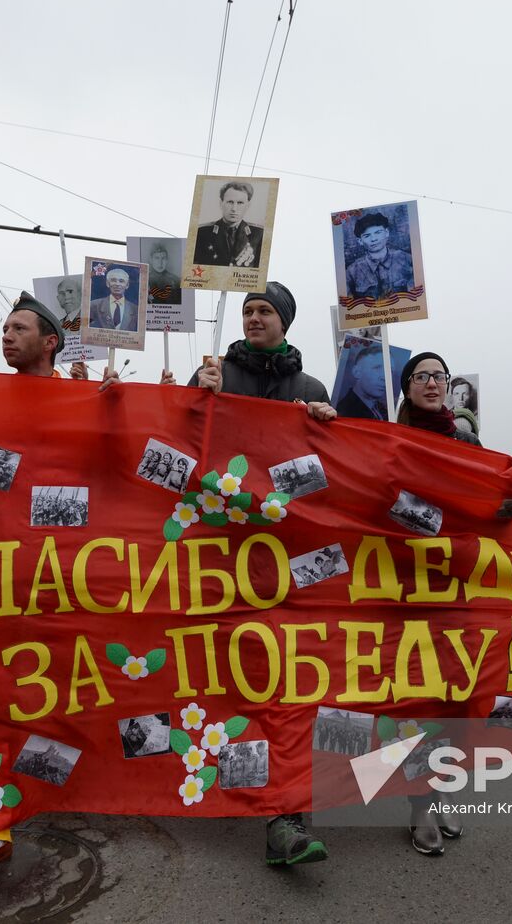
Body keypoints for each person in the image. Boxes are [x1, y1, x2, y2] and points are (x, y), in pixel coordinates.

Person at [0, 291, 119, 884]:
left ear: (50, 343)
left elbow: (112, 467)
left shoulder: (80, 400)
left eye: (19, 328)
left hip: (65, 578)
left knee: (72, 688)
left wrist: (126, 406)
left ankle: (79, 787)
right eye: (3, 327)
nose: (6, 335)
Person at [186, 281, 335, 866]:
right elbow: (182, 449)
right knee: (227, 679)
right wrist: (199, 399)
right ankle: (236, 788)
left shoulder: (311, 388)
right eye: (247, 310)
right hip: (222, 553)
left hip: (289, 555)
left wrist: (327, 423)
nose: (253, 318)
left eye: (264, 311)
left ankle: (284, 815)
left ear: (285, 321)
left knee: (290, 681)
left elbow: (331, 474)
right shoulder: (216, 372)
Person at [393, 352, 477, 856]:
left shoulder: (468, 443)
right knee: (415, 702)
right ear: (405, 387)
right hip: (402, 589)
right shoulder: (388, 440)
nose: (431, 383)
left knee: (454, 698)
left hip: (457, 589)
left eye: (439, 376)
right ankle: (419, 804)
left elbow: (489, 504)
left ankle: (441, 787)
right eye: (421, 376)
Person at [193, 181, 264, 268]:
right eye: (230, 202)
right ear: (221, 203)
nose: (234, 209)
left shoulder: (259, 234)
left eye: (240, 203)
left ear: (248, 205)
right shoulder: (201, 233)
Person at [345, 211, 414, 299]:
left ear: (386, 233)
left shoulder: (406, 259)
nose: (373, 239)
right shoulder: (352, 272)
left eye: (378, 232)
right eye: (367, 236)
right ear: (360, 241)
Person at [335, 344, 390, 420]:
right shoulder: (343, 411)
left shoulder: (383, 409)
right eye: (377, 368)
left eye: (390, 371)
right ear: (357, 372)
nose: (384, 377)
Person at [87, 268, 139, 332]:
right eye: (113, 280)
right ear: (107, 283)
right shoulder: (93, 306)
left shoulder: (136, 310)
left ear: (127, 285)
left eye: (121, 281)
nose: (117, 284)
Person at [146, 242, 182, 306]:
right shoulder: (144, 280)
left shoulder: (176, 281)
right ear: (151, 260)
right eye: (157, 258)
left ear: (167, 260)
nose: (160, 263)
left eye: (163, 258)